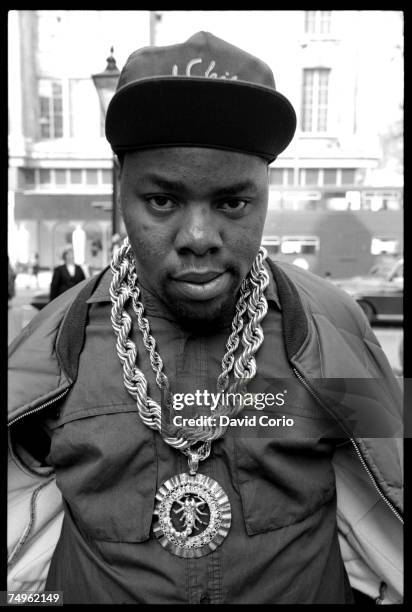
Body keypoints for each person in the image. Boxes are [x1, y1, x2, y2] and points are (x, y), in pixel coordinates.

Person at [8, 32, 402, 604]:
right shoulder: (54, 342)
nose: (198, 238)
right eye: (163, 201)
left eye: (232, 203)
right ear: (121, 188)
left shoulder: (335, 327)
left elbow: (392, 467)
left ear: (265, 196)